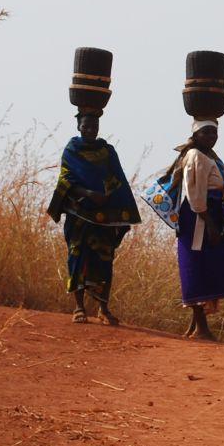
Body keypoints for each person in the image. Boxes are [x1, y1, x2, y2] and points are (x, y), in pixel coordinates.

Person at [45, 110, 141, 324]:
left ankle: (103, 309)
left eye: (94, 127)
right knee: (77, 256)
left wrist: (111, 197)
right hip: (79, 213)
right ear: (79, 126)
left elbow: (118, 178)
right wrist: (88, 194)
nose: (90, 130)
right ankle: (79, 307)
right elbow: (66, 179)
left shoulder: (107, 151)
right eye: (86, 126)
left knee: (104, 260)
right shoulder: (72, 149)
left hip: (104, 215)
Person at [166, 120, 224, 339]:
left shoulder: (208, 156)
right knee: (197, 268)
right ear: (196, 134)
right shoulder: (196, 156)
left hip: (207, 216)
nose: (212, 136)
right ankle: (201, 328)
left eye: (215, 132)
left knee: (205, 266)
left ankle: (195, 326)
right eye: (206, 132)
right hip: (199, 218)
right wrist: (210, 224)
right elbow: (195, 194)